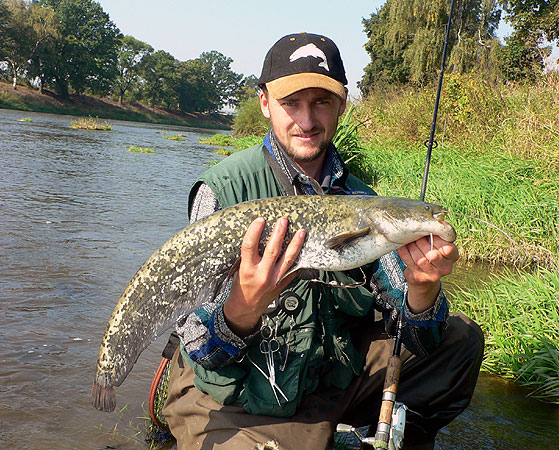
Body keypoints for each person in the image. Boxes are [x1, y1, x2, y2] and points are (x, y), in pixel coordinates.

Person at [162, 32, 484, 450]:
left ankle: (398, 437)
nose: (307, 120)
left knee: (460, 341)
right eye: (291, 103)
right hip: (233, 396)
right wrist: (243, 308)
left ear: (342, 105)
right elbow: (201, 349)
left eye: (321, 102)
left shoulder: (363, 201)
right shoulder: (223, 190)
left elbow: (417, 338)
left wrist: (422, 291)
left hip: (328, 378)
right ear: (265, 103)